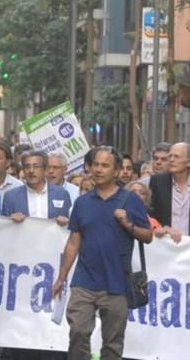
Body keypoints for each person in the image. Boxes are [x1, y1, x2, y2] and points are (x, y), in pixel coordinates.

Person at [52, 146, 152, 360]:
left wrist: (128, 224)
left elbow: (148, 236)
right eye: (95, 164)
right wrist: (61, 277)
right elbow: (73, 241)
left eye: (105, 165)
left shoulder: (130, 200)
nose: (98, 170)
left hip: (117, 284)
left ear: (116, 171)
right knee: (78, 331)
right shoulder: (82, 202)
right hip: (84, 281)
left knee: (112, 344)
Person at [149, 142, 190, 246]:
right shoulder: (157, 181)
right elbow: (150, 213)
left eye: (176, 156)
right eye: (170, 156)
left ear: (189, 162)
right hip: (165, 245)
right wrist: (161, 227)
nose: (171, 160)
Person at [2, 150, 71, 227]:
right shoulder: (11, 196)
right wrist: (10, 220)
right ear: (23, 170)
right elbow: (4, 229)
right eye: (27, 166)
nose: (31, 171)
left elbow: (68, 227)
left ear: (45, 169)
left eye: (36, 166)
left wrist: (65, 222)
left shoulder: (61, 194)